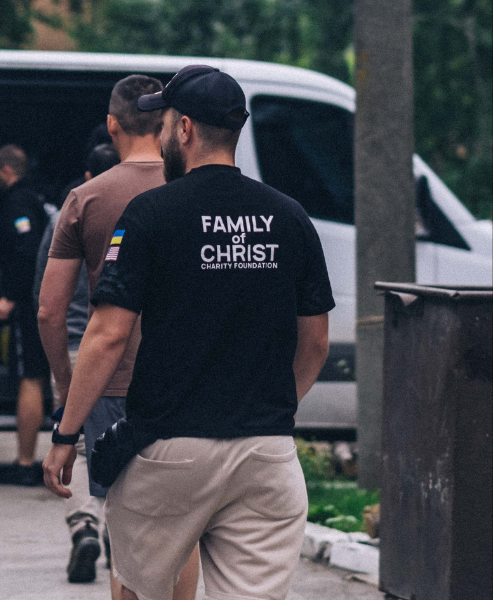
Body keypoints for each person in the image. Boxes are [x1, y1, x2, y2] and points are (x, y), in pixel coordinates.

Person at [43, 65, 334, 600]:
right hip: (267, 456)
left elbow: (107, 335)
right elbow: (315, 341)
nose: (158, 136)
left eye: (164, 123)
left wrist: (66, 434)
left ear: (183, 130)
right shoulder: (290, 217)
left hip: (169, 450)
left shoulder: (149, 215)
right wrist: (267, 408)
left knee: (136, 588)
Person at [39, 76, 200, 594]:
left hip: (110, 385)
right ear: (168, 124)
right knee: (185, 528)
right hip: (188, 382)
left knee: (127, 528)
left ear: (112, 125)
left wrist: (68, 385)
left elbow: (49, 310)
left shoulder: (85, 198)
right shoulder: (195, 189)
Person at [33, 140, 117, 583]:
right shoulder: (148, 205)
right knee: (127, 439)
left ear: (87, 175)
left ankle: (85, 522)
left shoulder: (74, 208)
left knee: (79, 443)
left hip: (76, 343)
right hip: (127, 347)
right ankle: (117, 530)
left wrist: (62, 374)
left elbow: (46, 301)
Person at [0, 144, 50, 486]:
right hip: (40, 300)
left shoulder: (18, 202)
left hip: (28, 302)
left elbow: (27, 251)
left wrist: (10, 296)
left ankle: (26, 463)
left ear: (4, 170)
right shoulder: (38, 197)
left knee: (32, 378)